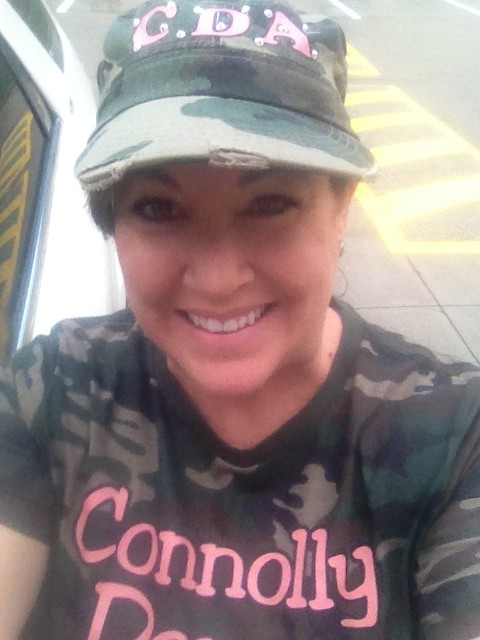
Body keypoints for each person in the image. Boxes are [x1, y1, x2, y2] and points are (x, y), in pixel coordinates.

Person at [1, 0, 480, 638]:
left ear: (342, 209)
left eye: (271, 203)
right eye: (157, 209)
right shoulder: (51, 392)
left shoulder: (454, 439)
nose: (218, 278)